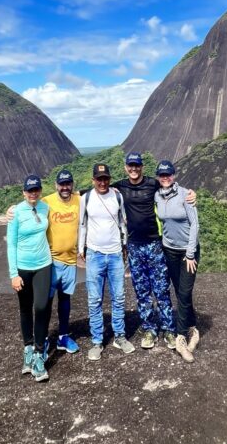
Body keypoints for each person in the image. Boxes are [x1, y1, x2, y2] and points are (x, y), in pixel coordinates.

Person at [111, 152, 176, 349]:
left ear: (142, 167)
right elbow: (94, 190)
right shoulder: (120, 186)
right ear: (125, 167)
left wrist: (191, 194)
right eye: (130, 166)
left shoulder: (152, 184)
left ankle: (169, 329)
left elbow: (172, 188)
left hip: (154, 244)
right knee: (142, 291)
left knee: (161, 288)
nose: (133, 169)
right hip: (134, 246)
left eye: (137, 166)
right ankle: (149, 329)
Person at [78, 162, 135, 361]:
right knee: (95, 300)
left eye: (105, 179)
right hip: (94, 254)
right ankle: (97, 341)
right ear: (93, 180)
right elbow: (82, 224)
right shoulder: (86, 198)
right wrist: (80, 249)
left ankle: (119, 336)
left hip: (115, 254)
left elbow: (122, 222)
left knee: (118, 297)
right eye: (99, 179)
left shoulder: (117, 196)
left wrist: (125, 246)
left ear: (109, 180)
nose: (102, 182)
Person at [6, 174, 52, 382]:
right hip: (23, 267)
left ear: (40, 191)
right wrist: (13, 274)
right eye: (30, 190)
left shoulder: (45, 207)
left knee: (42, 307)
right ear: (24, 192)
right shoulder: (15, 212)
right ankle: (28, 347)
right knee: (25, 309)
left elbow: (70, 196)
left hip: (44, 265)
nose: (33, 193)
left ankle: (39, 353)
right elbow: (11, 244)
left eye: (36, 190)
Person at [154, 160, 200, 363]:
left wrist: (190, 253)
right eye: (162, 175)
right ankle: (193, 328)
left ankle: (181, 337)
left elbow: (195, 225)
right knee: (180, 290)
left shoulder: (185, 195)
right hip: (169, 251)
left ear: (174, 176)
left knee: (184, 292)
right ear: (158, 177)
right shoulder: (156, 195)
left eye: (169, 175)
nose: (166, 178)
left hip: (187, 253)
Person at [42, 169, 80, 353]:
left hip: (70, 261)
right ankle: (43, 338)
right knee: (47, 302)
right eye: (62, 184)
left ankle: (63, 336)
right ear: (56, 185)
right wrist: (12, 209)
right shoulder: (47, 202)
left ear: (72, 184)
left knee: (65, 299)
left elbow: (99, 192)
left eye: (68, 184)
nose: (65, 187)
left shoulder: (79, 200)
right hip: (51, 262)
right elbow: (28, 204)